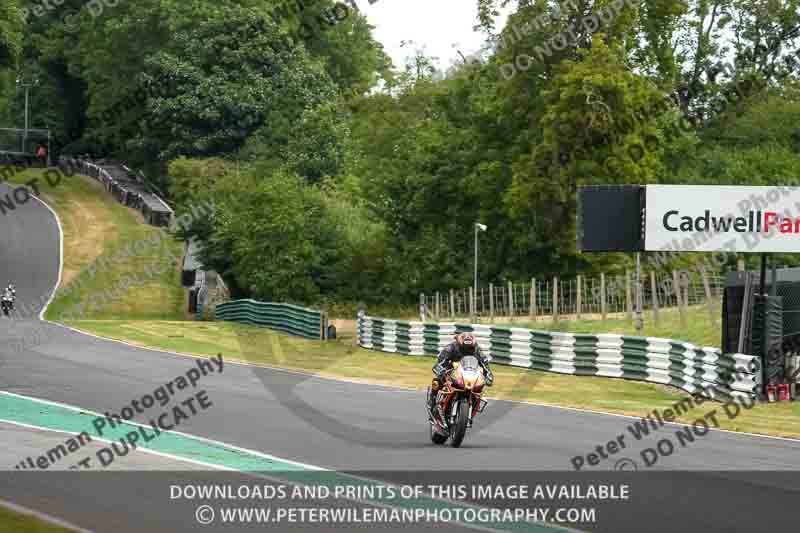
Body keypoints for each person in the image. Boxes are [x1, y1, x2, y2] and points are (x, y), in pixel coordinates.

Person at [428, 332, 494, 416]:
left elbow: (486, 367)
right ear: (459, 344)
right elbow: (438, 364)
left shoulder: (477, 350)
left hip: (469, 375)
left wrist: (489, 376)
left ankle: (472, 408)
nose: (468, 350)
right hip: (450, 373)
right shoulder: (450, 348)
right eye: (464, 348)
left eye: (470, 348)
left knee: (479, 388)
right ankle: (432, 402)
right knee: (437, 382)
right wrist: (441, 371)